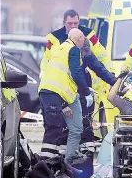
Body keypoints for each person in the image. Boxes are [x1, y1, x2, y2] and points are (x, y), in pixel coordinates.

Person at [40, 9, 115, 156]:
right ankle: (51, 162)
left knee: (79, 125)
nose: (73, 25)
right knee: (57, 127)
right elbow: (72, 71)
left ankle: (71, 157)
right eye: (70, 23)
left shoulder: (87, 37)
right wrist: (86, 91)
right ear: (64, 23)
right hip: (60, 90)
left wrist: (114, 79)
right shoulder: (64, 45)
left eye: (76, 23)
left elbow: (98, 62)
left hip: (70, 88)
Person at [38, 28, 93, 163]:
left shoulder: (57, 49)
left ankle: (68, 159)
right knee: (54, 129)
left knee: (73, 128)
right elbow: (75, 73)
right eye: (82, 40)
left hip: (49, 92)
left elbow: (62, 76)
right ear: (79, 40)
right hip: (56, 94)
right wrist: (86, 92)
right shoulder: (73, 50)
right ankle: (46, 165)